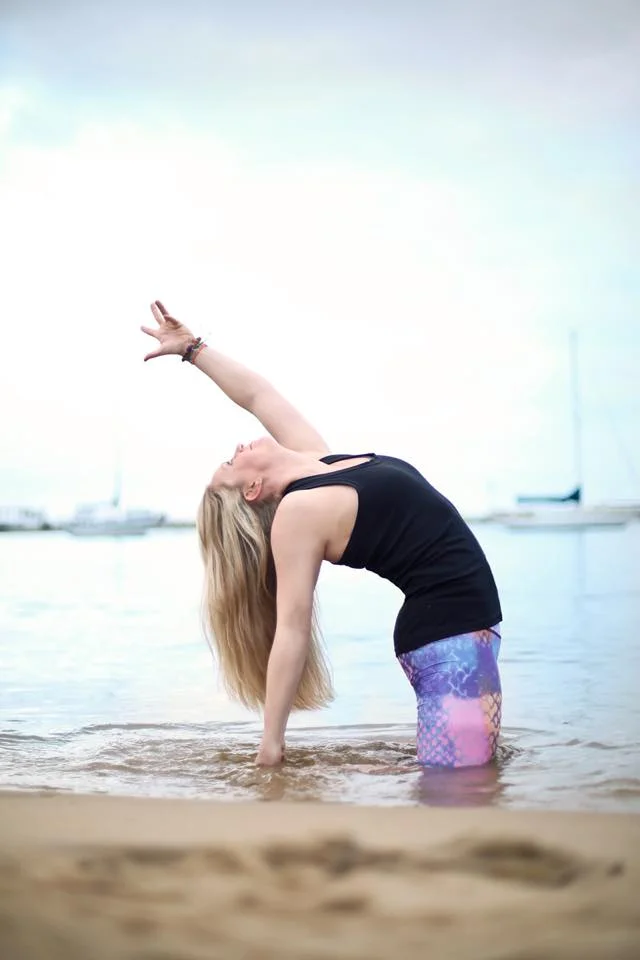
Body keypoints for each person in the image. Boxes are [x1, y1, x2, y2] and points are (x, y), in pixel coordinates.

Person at [142, 301, 503, 769]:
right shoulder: (299, 513)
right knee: (462, 789)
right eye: (231, 464)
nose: (236, 447)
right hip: (447, 639)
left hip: (465, 630)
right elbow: (291, 629)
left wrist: (192, 349)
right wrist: (271, 746)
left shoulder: (320, 464)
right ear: (252, 489)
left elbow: (257, 395)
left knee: (476, 778)